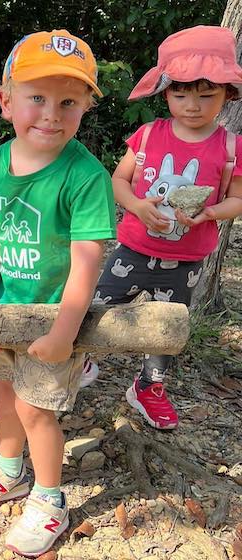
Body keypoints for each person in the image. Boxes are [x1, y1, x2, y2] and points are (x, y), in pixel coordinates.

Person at [0, 30, 116, 557]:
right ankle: (7, 470)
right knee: (4, 393)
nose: (51, 113)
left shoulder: (86, 176)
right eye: (37, 98)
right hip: (3, 311)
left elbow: (89, 257)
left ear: (86, 107)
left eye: (68, 101)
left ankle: (49, 498)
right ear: (6, 101)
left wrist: (65, 331)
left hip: (54, 315)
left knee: (35, 408)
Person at [81, 26, 242, 430]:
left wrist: (208, 214)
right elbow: (117, 181)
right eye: (181, 93)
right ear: (165, 92)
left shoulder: (229, 147)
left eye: (207, 95)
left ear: (228, 95)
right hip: (132, 249)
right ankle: (81, 359)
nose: (193, 105)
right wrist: (136, 204)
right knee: (99, 307)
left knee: (168, 327)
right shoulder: (149, 134)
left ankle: (149, 385)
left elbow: (238, 198)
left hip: (186, 259)